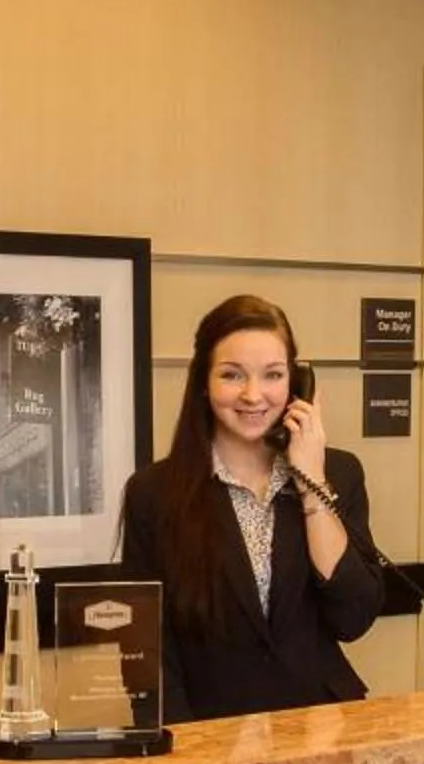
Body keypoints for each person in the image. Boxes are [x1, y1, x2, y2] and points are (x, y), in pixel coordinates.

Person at [117, 295, 386, 722]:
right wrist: (183, 751)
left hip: (322, 728)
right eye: (232, 375)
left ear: (297, 384)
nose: (253, 394)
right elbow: (148, 649)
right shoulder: (153, 493)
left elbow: (353, 617)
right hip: (211, 732)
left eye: (273, 375)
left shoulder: (340, 472)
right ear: (203, 383)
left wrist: (311, 484)